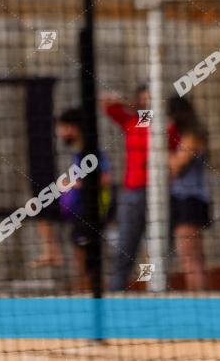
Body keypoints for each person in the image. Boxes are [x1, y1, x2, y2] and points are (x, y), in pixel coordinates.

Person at [54, 108, 112, 291]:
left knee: (87, 261)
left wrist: (72, 183)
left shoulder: (91, 152)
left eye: (63, 128)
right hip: (80, 214)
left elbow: (105, 178)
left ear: (73, 128)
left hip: (90, 214)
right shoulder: (79, 153)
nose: (60, 133)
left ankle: (91, 295)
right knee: (82, 259)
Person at [102, 84, 150, 292]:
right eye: (144, 99)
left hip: (160, 194)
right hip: (133, 191)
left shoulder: (167, 127)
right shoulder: (132, 122)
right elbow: (107, 103)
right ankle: (116, 290)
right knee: (126, 243)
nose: (148, 102)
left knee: (160, 246)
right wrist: (130, 102)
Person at [167, 95, 210, 291]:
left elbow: (176, 166)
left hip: (190, 200)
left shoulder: (192, 136)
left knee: (190, 257)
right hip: (183, 199)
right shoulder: (185, 135)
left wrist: (161, 149)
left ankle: (198, 302)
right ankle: (199, 301)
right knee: (191, 257)